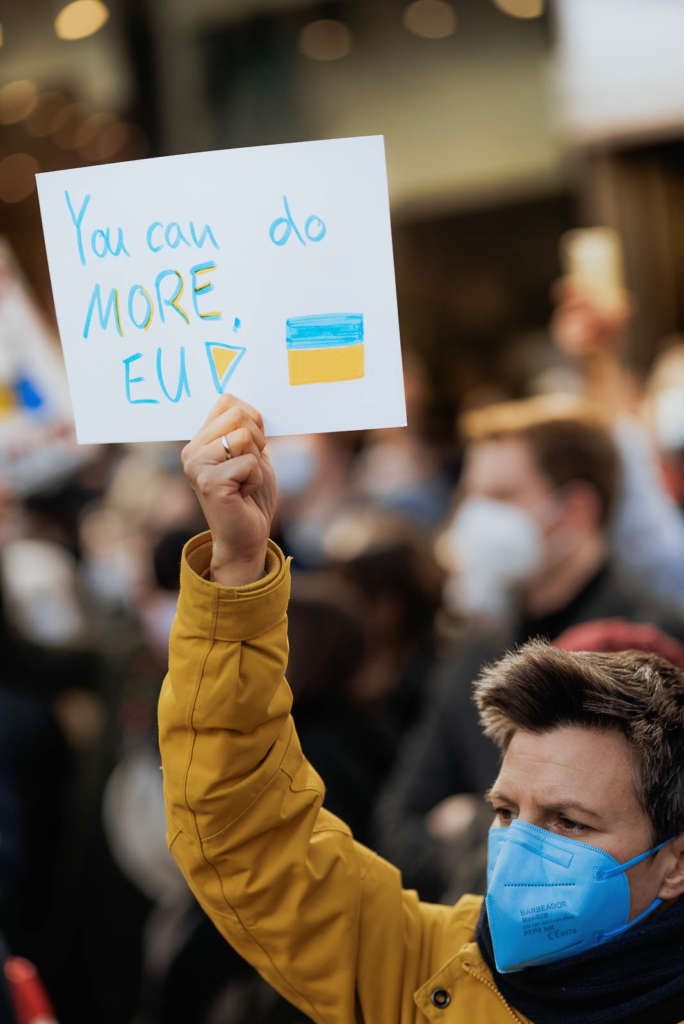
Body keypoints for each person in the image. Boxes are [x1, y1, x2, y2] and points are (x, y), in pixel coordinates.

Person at [159, 395, 684, 1024]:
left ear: (674, 861)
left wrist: (456, 823)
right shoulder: (430, 966)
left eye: (570, 823)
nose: (519, 853)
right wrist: (239, 570)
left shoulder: (657, 631)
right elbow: (248, 829)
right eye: (504, 811)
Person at [375, 393, 684, 901]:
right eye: (470, 496)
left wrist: (470, 824)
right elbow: (396, 826)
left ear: (576, 509)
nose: (474, 518)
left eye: (500, 496)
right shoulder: (475, 648)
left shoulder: (654, 647)